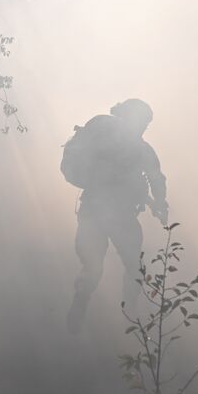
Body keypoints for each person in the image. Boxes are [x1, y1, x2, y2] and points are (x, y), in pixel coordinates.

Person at [60, 98, 168, 333]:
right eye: (144, 121)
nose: (145, 127)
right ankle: (130, 312)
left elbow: (154, 178)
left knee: (92, 265)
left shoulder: (103, 132)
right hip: (122, 217)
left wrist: (157, 202)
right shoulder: (141, 148)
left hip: (92, 211)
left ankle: (81, 302)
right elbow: (156, 178)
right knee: (134, 266)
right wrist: (160, 204)